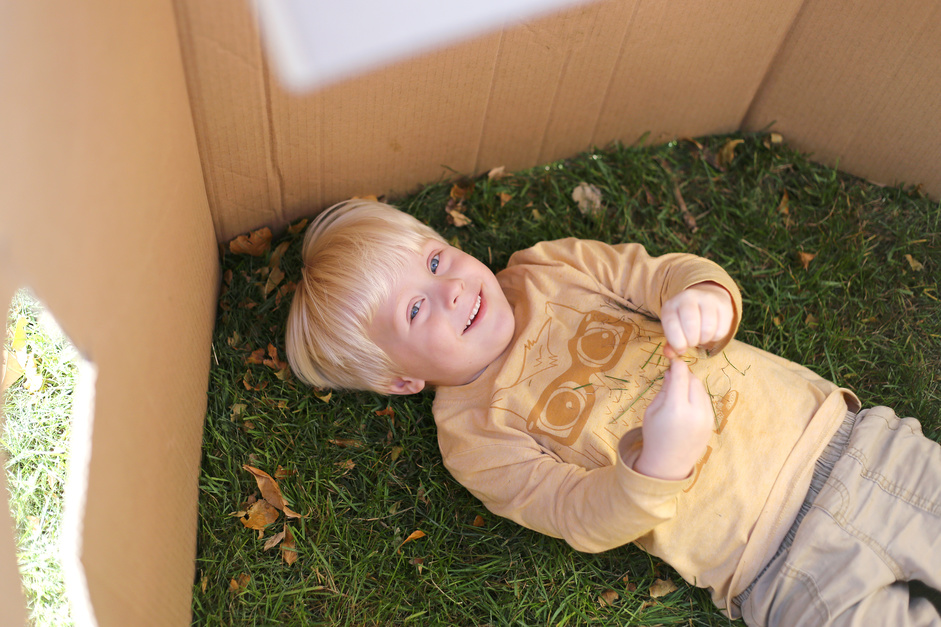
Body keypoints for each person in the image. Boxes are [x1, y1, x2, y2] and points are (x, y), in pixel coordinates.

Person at [286, 199, 941, 626]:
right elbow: (575, 512)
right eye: (415, 308)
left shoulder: (551, 266)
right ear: (402, 379)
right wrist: (658, 464)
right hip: (775, 566)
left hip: (855, 448)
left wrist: (702, 295)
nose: (451, 287)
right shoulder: (473, 438)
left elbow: (656, 276)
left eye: (433, 260)